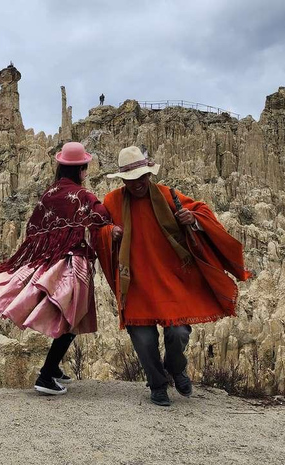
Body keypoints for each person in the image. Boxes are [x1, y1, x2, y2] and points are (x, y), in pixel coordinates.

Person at [94, 146, 252, 406]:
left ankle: (176, 368)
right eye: (132, 180)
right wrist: (109, 232)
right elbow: (96, 227)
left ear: (149, 176)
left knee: (178, 333)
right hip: (136, 284)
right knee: (144, 341)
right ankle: (157, 384)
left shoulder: (167, 195)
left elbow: (201, 211)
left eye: (142, 178)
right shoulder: (111, 202)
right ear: (123, 181)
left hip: (172, 281)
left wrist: (192, 218)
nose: (137, 185)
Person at [0, 142, 112, 395]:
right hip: (72, 262)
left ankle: (54, 368)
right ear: (81, 169)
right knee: (73, 316)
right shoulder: (83, 196)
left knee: (59, 311)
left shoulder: (48, 194)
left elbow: (34, 228)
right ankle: (46, 375)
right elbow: (101, 217)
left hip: (47, 260)